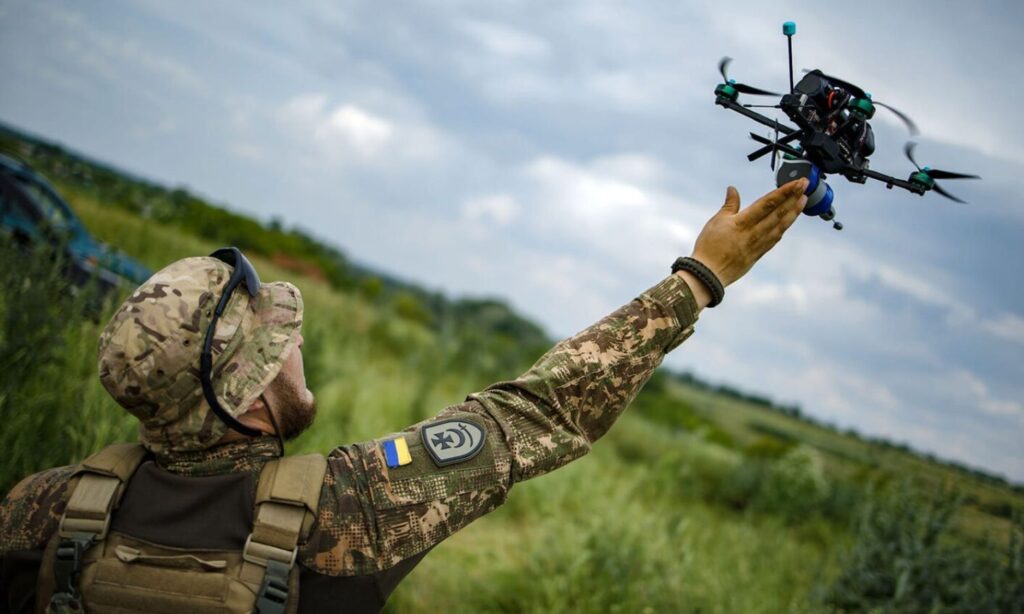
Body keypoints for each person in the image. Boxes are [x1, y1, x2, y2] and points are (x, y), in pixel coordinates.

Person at [0, 180, 809, 613]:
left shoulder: (39, 512)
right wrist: (699, 280)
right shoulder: (348, 515)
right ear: (244, 393)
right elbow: (541, 411)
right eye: (278, 343)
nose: (299, 345)